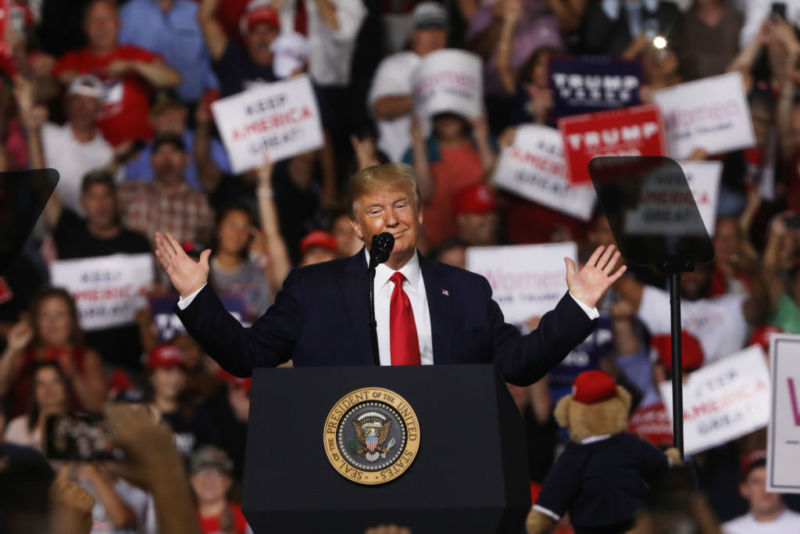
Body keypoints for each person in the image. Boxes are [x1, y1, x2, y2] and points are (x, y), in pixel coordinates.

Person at [155, 163, 625, 384]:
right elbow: (247, 355)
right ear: (358, 228)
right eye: (376, 211)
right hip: (343, 465)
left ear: (419, 215)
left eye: (401, 205)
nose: (392, 219)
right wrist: (197, 296)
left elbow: (519, 366)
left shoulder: (465, 290)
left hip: (446, 464)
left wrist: (579, 306)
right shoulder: (313, 289)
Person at [52, 0, 181, 147]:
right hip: (87, 154)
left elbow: (174, 79)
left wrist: (134, 66)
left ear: (119, 23)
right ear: (85, 26)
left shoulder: (134, 55)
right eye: (95, 19)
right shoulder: (71, 60)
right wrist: (58, 80)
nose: (102, 25)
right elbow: (43, 93)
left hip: (135, 152)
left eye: (108, 18)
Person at [0, 288, 106, 417]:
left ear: (71, 320)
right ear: (36, 322)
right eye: (45, 315)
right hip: (25, 433)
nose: (52, 322)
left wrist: (74, 376)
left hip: (74, 431)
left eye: (60, 314)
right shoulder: (22, 355)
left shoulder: (87, 356)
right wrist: (12, 349)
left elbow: (98, 407)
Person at [368, 1, 449, 163]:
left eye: (439, 28)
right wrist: (427, 94)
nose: (434, 35)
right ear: (412, 33)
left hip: (443, 167)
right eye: (425, 28)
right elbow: (379, 108)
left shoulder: (454, 66)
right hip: (397, 162)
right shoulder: (394, 64)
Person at [117, 133, 215, 249]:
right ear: (151, 160)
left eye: (174, 152)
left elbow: (206, 246)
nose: (167, 159)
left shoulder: (201, 203)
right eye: (160, 153)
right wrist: (116, 161)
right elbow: (93, 195)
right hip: (133, 265)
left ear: (187, 159)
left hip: (180, 266)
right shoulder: (130, 192)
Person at [118, 0, 218, 104]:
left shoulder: (194, 11)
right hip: (148, 104)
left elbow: (207, 58)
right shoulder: (129, 13)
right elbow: (117, 56)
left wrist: (212, 89)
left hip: (194, 100)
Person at [722, 450, 800, 533]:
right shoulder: (728, 530)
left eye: (770, 482)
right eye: (756, 481)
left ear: (782, 485)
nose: (764, 488)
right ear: (744, 489)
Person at [4, 361, 71, 451]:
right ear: (34, 392)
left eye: (55, 381)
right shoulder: (17, 427)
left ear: (65, 387)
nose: (48, 388)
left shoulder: (80, 427)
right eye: (41, 383)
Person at [189, 445, 251, 534]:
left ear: (228, 481)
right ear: (191, 480)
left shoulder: (246, 518)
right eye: (201, 471)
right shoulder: (180, 521)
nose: (208, 478)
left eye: (216, 472)